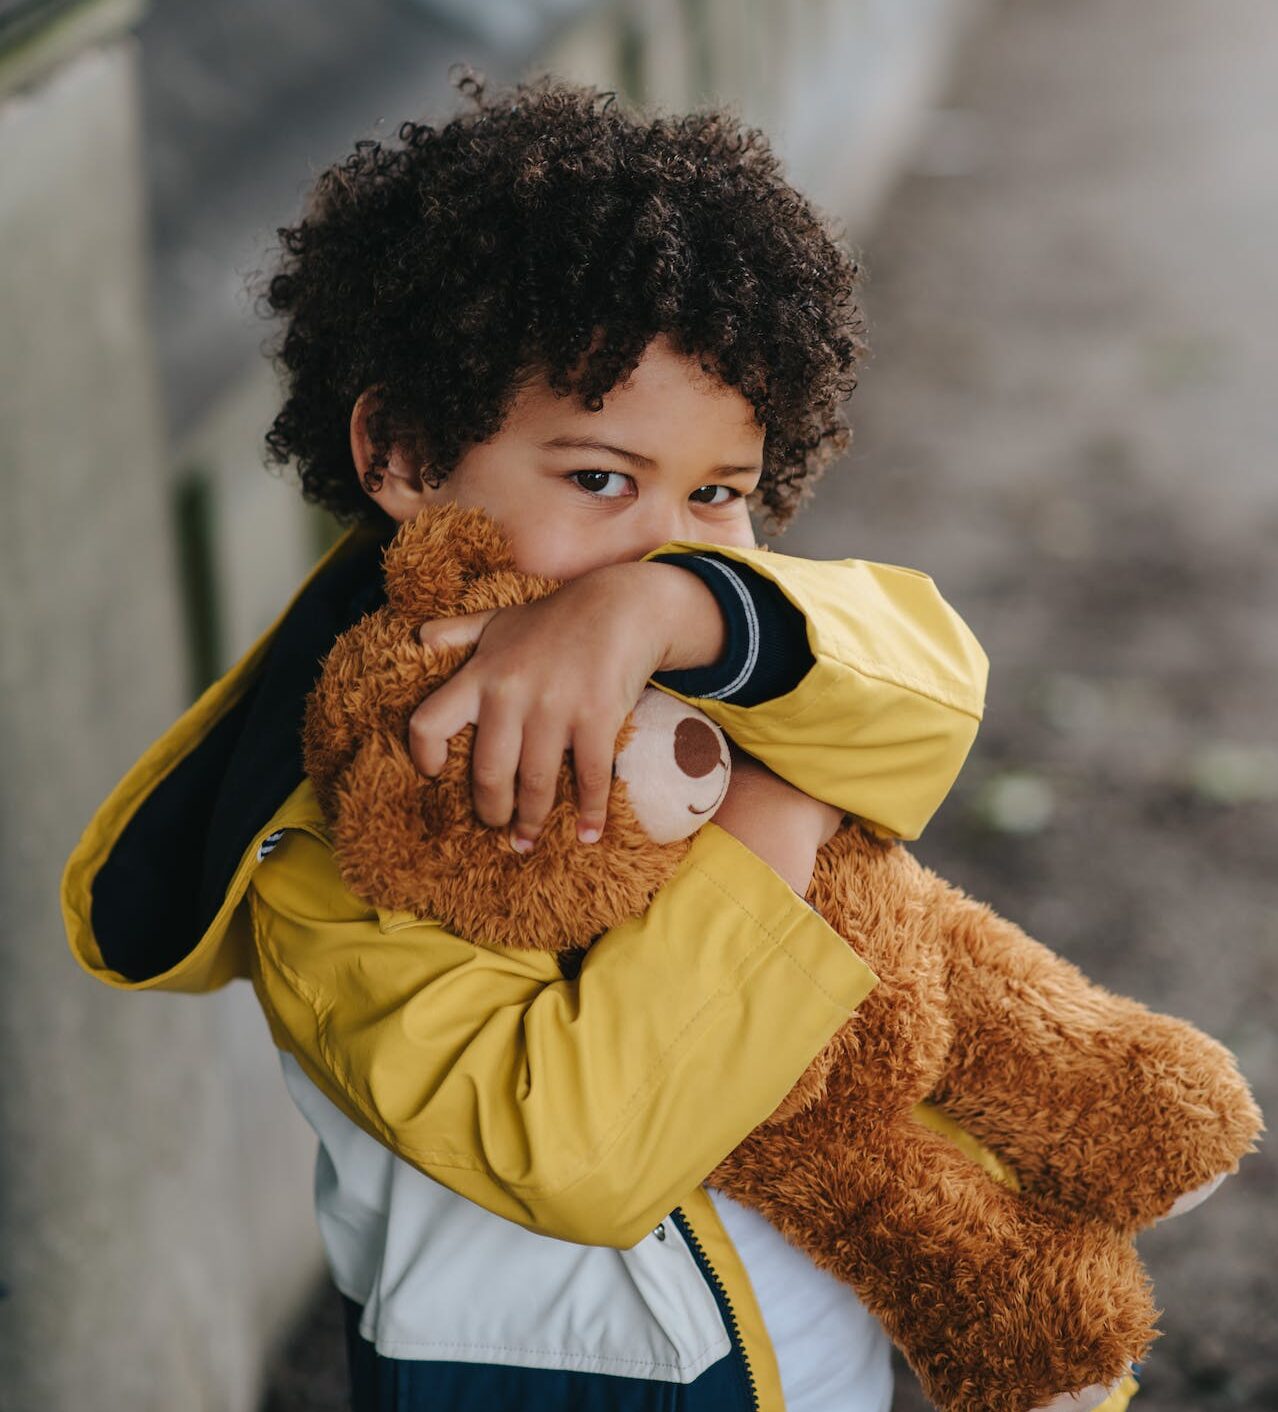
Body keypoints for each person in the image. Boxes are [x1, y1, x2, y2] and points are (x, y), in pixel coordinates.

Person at [63, 75, 1008, 1412]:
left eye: (718, 495)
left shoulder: (697, 637)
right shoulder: (338, 829)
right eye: (600, 480)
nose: (666, 538)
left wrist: (662, 601)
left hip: (801, 1354)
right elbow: (576, 1151)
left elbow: (930, 680)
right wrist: (776, 821)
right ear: (398, 452)